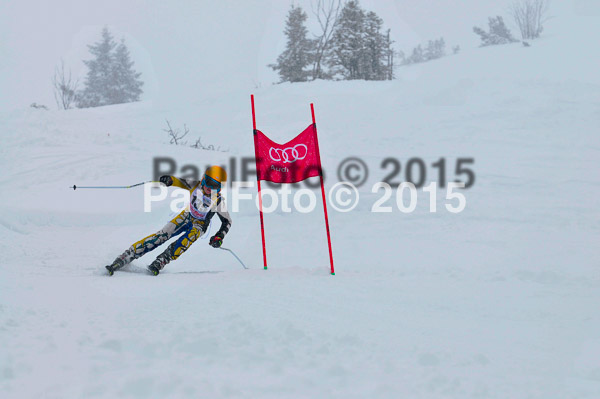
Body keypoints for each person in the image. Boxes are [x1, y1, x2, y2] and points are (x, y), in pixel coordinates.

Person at [105, 166, 232, 276]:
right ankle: (127, 255)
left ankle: (162, 260)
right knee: (162, 235)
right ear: (203, 179)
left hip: (199, 225)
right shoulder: (195, 185)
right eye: (209, 183)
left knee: (185, 242)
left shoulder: (217, 201)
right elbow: (179, 181)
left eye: (216, 186)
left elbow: (227, 221)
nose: (210, 188)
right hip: (187, 215)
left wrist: (219, 236)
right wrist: (170, 180)